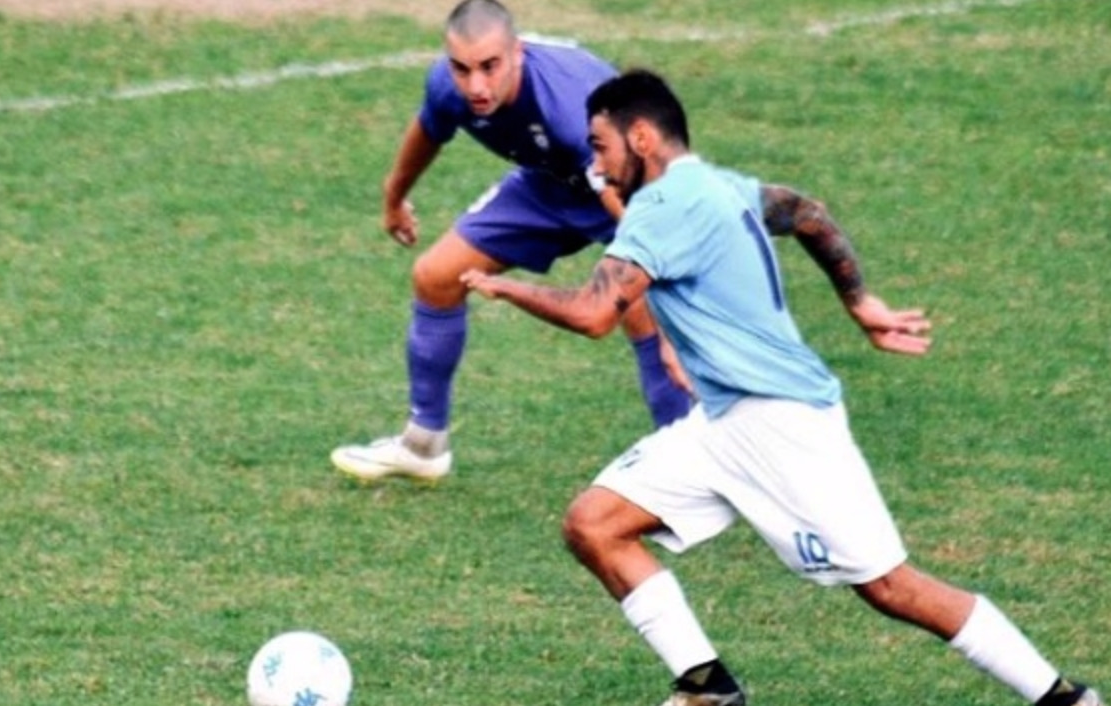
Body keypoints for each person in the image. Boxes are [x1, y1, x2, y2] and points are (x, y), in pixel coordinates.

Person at [460, 69, 1101, 706]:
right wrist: (860, 300)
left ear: (643, 138)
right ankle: (707, 688)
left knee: (890, 587)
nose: (596, 165)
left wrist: (506, 285)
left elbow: (593, 313)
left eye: (601, 147)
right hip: (723, 421)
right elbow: (804, 213)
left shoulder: (663, 206)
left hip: (781, 425)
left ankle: (1064, 698)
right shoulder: (719, 187)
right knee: (593, 523)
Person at [330, 0, 922, 483]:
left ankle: (704, 468)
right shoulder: (450, 85)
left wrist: (664, 313)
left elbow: (636, 208)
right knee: (434, 276)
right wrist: (393, 197)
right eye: (463, 69)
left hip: (629, 191)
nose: (475, 84)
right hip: (547, 185)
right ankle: (424, 444)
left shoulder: (568, 109)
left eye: (489, 66)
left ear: (518, 53)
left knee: (643, 319)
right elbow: (430, 128)